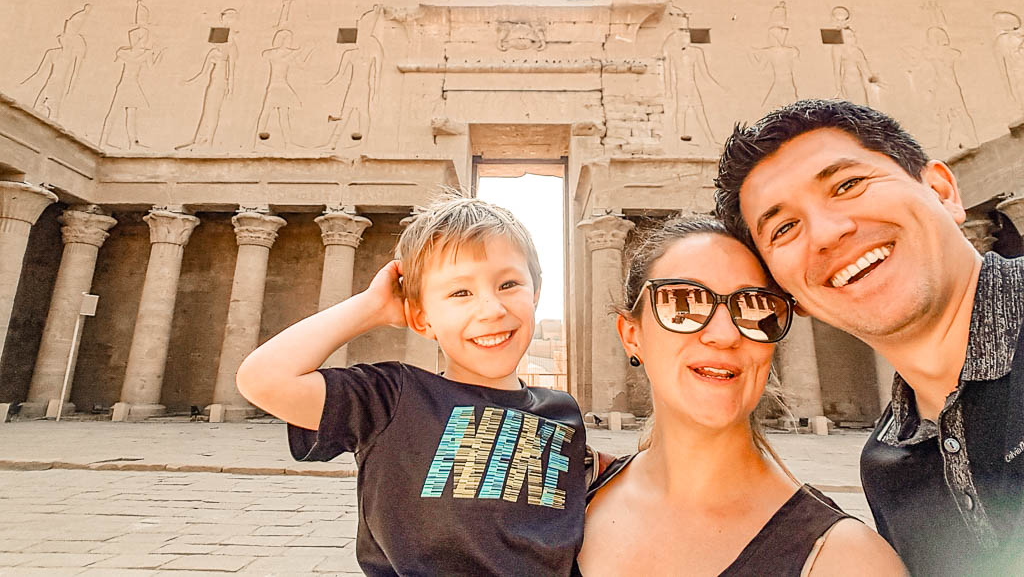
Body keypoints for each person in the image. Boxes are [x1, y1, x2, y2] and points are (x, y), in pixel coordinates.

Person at [714, 99, 1024, 574]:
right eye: (785, 227)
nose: (827, 233)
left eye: (848, 185)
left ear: (942, 191)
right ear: (787, 296)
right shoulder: (887, 465)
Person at [236, 195, 586, 576]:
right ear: (421, 319)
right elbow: (262, 379)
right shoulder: (391, 398)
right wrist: (372, 307)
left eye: (509, 284)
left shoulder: (561, 411)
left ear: (535, 293)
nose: (492, 308)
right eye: (460, 292)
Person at [576, 216, 904, 576]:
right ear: (631, 335)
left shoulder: (848, 561)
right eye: (683, 301)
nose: (724, 334)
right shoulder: (570, 498)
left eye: (754, 306)